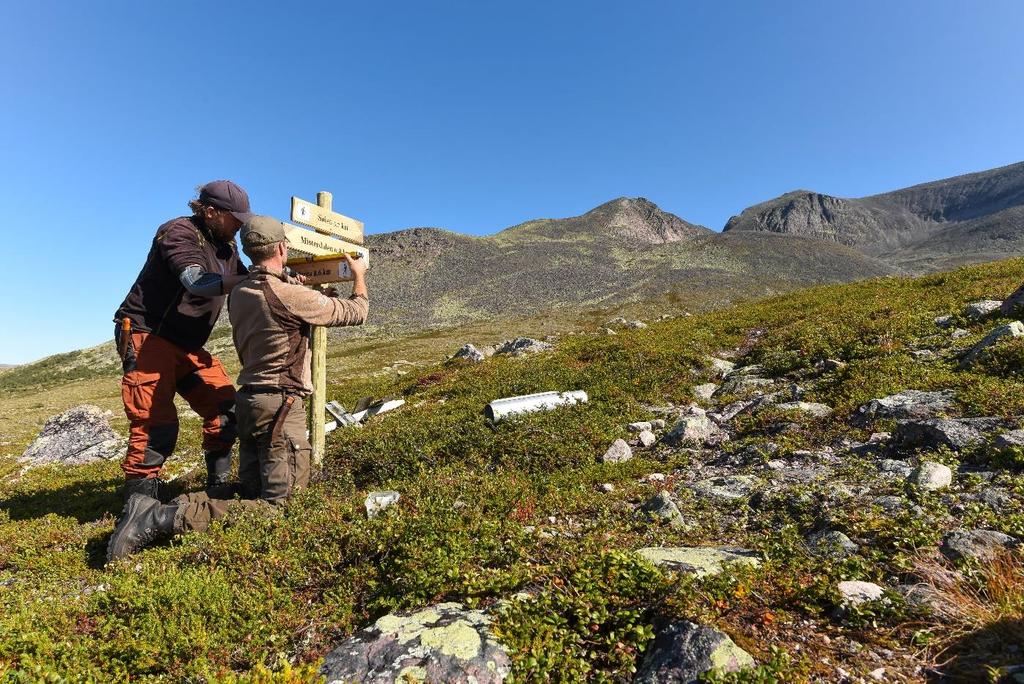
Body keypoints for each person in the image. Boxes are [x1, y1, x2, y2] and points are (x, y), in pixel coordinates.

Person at [107, 215, 369, 562]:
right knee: (279, 507)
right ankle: (160, 517)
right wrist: (360, 277)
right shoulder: (289, 295)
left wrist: (301, 287)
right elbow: (357, 311)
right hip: (279, 407)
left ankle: (160, 504)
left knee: (251, 490)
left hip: (251, 402)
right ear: (281, 247)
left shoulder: (241, 291)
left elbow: (282, 301)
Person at [113, 181, 254, 501]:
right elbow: (196, 282)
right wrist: (249, 279)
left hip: (188, 346)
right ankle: (139, 506)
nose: (239, 227)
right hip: (149, 335)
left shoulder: (228, 248)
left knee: (225, 410)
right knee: (154, 424)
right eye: (235, 219)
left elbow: (244, 285)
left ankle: (218, 489)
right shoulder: (179, 232)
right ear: (210, 211)